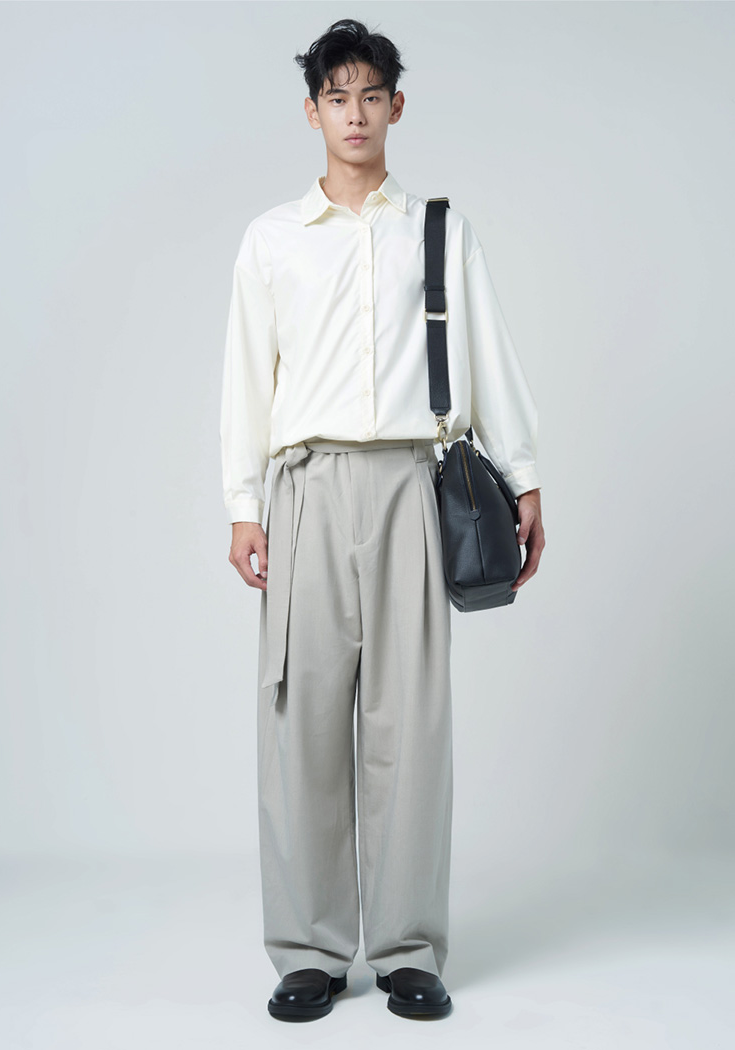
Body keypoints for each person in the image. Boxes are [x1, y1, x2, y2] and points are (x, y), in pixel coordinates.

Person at [220, 17, 545, 1023]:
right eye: (337, 97)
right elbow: (247, 378)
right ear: (311, 111)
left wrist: (525, 478)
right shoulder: (272, 239)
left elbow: (488, 355)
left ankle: (407, 948)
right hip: (307, 488)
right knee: (301, 720)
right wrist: (242, 505)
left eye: (371, 95)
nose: (354, 114)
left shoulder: (437, 230)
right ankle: (310, 951)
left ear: (397, 106)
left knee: (413, 721)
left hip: (411, 483)